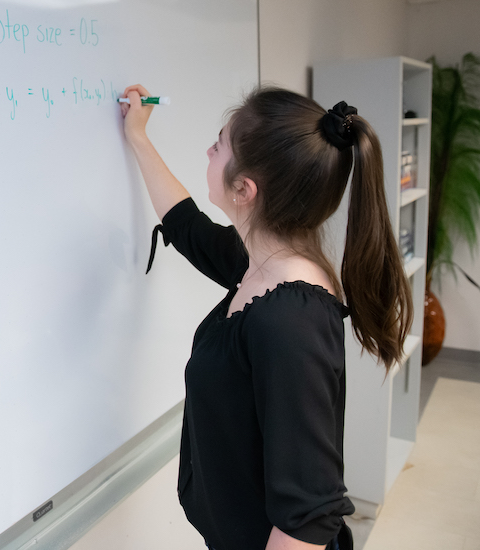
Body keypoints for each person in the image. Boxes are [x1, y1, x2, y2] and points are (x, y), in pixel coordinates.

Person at [119, 84, 413, 550]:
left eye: (219, 145)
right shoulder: (259, 265)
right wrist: (138, 136)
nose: (208, 151)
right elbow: (185, 223)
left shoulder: (290, 321)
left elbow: (307, 519)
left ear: (244, 189)